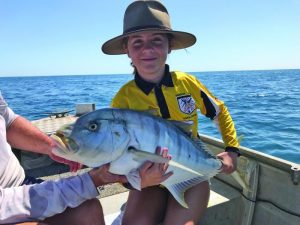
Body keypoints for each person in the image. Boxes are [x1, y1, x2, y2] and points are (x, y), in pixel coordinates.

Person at [101, 1, 241, 224]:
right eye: (137, 43)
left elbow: (219, 112)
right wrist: (135, 182)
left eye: (156, 40)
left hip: (192, 172)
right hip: (149, 182)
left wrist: (232, 150)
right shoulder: (123, 99)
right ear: (127, 49)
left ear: (170, 46)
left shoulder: (187, 83)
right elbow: (116, 154)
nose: (147, 50)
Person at [0, 92, 172, 225]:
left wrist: (51, 147)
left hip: (20, 182)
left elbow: (7, 120)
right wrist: (91, 181)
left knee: (89, 210)